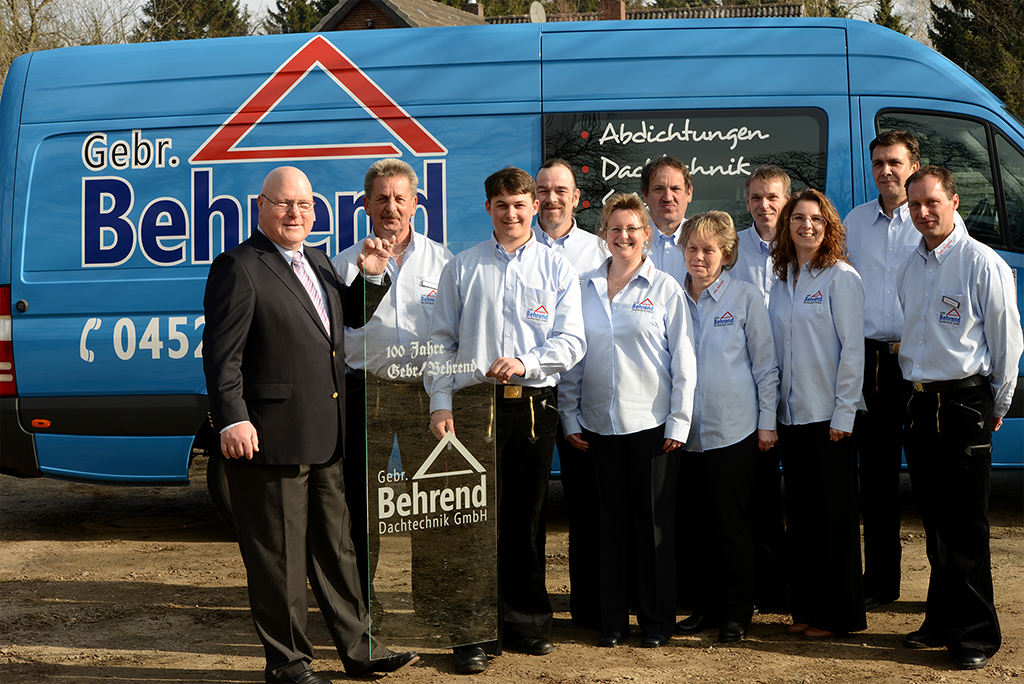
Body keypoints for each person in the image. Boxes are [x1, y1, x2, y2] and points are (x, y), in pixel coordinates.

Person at [202, 166, 419, 684]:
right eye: (283, 204)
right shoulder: (238, 266)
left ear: (315, 211)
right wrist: (233, 419)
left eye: (303, 205)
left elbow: (349, 319)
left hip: (324, 435)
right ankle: (289, 663)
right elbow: (221, 356)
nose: (294, 213)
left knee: (337, 552)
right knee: (278, 559)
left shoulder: (318, 260)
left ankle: (361, 650)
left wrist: (371, 275)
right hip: (270, 438)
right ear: (261, 207)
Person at [425, 166, 586, 674]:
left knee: (526, 519)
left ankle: (526, 624)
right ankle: (473, 634)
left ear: (534, 207)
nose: (511, 214)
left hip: (533, 407)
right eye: (502, 205)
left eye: (520, 205)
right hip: (474, 406)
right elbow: (440, 342)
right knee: (472, 523)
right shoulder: (462, 267)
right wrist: (440, 402)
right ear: (488, 209)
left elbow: (572, 340)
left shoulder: (557, 269)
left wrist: (526, 362)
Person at [897, 166, 1023, 671]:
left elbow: (1007, 341)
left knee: (965, 522)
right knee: (934, 521)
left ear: (953, 201)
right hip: (919, 403)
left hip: (964, 401)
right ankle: (941, 620)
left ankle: (974, 636)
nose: (923, 212)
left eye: (932, 202)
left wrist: (997, 405)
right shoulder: (911, 264)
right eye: (915, 204)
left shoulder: (982, 262)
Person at [560, 193, 696, 650]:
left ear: (646, 235)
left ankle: (656, 622)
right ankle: (613, 621)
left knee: (652, 527)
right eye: (615, 228)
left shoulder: (665, 289)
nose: (623, 236)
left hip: (653, 427)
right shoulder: (582, 288)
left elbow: (684, 362)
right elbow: (574, 358)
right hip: (598, 427)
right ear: (604, 235)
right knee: (610, 527)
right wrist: (569, 415)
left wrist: (679, 422)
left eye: (632, 229)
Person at [331, 159, 452, 613]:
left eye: (400, 197)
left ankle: (433, 604)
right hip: (366, 394)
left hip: (426, 396)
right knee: (362, 506)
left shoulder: (444, 262)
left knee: (432, 504)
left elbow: (454, 338)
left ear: (415, 204)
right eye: (381, 198)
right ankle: (361, 607)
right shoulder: (343, 264)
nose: (391, 207)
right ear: (366, 205)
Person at [673, 211, 779, 644]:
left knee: (732, 526)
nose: (699, 257)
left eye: (709, 250)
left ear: (727, 255)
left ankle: (736, 612)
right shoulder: (672, 298)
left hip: (734, 432)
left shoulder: (745, 297)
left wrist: (767, 423)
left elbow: (766, 366)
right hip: (686, 434)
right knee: (695, 527)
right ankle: (704, 607)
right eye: (692, 248)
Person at [768, 188, 867, 640]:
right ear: (787, 226)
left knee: (835, 520)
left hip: (830, 419)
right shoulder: (782, 278)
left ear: (828, 228)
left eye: (816, 219)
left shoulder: (841, 277)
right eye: (798, 218)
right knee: (803, 518)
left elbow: (853, 352)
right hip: (792, 417)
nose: (806, 226)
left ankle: (838, 616)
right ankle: (806, 609)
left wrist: (844, 413)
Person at [843, 130, 921, 611]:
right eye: (878, 163)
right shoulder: (854, 222)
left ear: (914, 166)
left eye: (894, 162)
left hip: (920, 364)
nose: (886, 170)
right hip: (872, 364)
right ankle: (880, 583)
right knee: (876, 481)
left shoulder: (932, 219)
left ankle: (944, 595)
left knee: (930, 482)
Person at [534, 158, 606, 630]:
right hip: (533, 395)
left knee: (586, 504)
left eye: (561, 190)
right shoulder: (517, 248)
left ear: (577, 197)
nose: (552, 198)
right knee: (531, 507)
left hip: (587, 395)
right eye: (543, 190)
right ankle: (528, 609)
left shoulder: (599, 250)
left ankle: (590, 606)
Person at [729, 165, 792, 612]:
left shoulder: (804, 244)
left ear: (787, 200)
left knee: (802, 495)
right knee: (759, 493)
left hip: (802, 384)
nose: (764, 206)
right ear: (746, 201)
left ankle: (793, 586)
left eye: (773, 197)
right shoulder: (734, 252)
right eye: (756, 197)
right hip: (753, 390)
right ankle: (761, 587)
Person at [641, 156, 692, 285]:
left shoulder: (706, 242)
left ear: (689, 193)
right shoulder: (630, 242)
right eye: (659, 189)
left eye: (675, 189)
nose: (668, 198)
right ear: (645, 195)